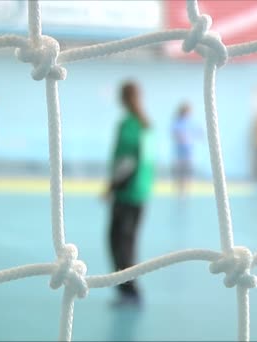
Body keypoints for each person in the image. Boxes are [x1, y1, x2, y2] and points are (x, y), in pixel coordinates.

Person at [104, 81, 155, 307]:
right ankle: (129, 289)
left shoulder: (128, 125)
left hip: (126, 194)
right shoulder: (146, 125)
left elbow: (126, 162)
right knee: (129, 242)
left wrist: (112, 187)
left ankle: (129, 291)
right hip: (141, 193)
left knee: (118, 243)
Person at [171, 102, 201, 196]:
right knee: (180, 171)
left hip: (189, 152)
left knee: (188, 171)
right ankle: (179, 190)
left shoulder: (190, 122)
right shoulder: (177, 122)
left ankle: (187, 189)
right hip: (180, 152)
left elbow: (198, 132)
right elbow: (174, 133)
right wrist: (181, 137)